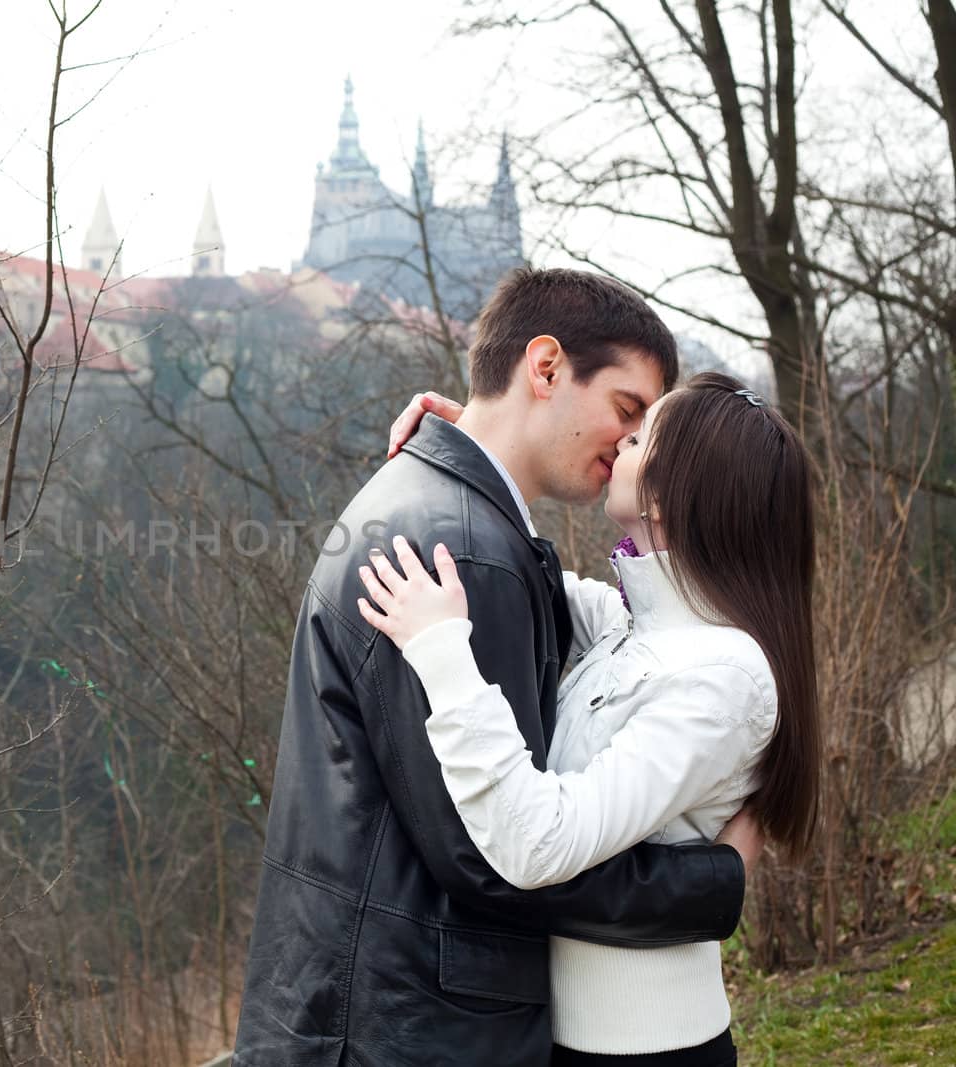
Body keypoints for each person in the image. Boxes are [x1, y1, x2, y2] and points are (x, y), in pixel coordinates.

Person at [233, 269, 755, 1067]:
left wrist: (465, 441)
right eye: (627, 410)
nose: (631, 443)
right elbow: (493, 854)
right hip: (410, 1030)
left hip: (370, 1013)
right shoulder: (465, 550)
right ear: (543, 368)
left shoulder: (440, 509)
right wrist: (711, 883)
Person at [359, 372, 818, 1065]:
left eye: (637, 437)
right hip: (561, 1039)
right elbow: (523, 572)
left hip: (645, 1052)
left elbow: (539, 842)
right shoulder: (632, 625)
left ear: (670, 494)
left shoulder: (721, 676)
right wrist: (486, 454)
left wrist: (442, 653)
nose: (617, 444)